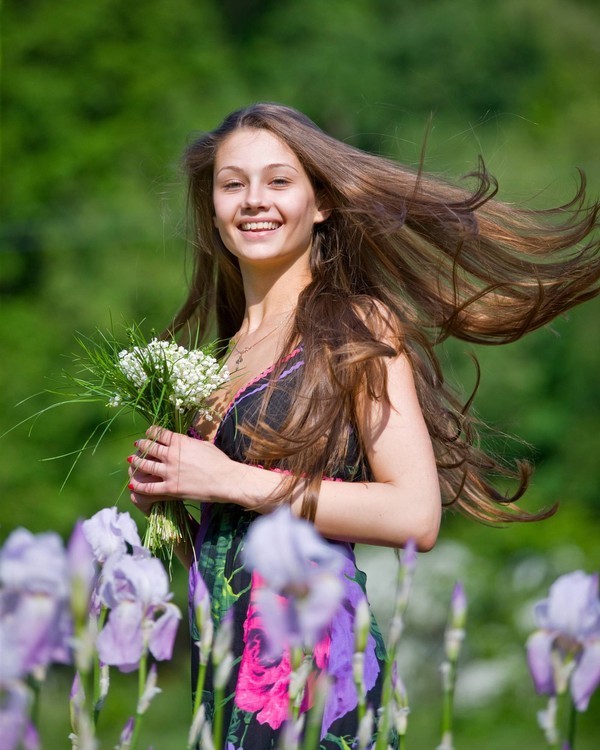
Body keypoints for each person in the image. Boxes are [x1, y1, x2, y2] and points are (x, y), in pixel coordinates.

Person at [126, 103, 600, 748]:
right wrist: (174, 501)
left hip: (316, 675)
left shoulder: (353, 328)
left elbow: (414, 515)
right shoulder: (215, 357)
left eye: (279, 181)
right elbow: (229, 550)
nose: (253, 201)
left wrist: (231, 478)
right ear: (211, 207)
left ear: (320, 202)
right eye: (232, 184)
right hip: (225, 673)